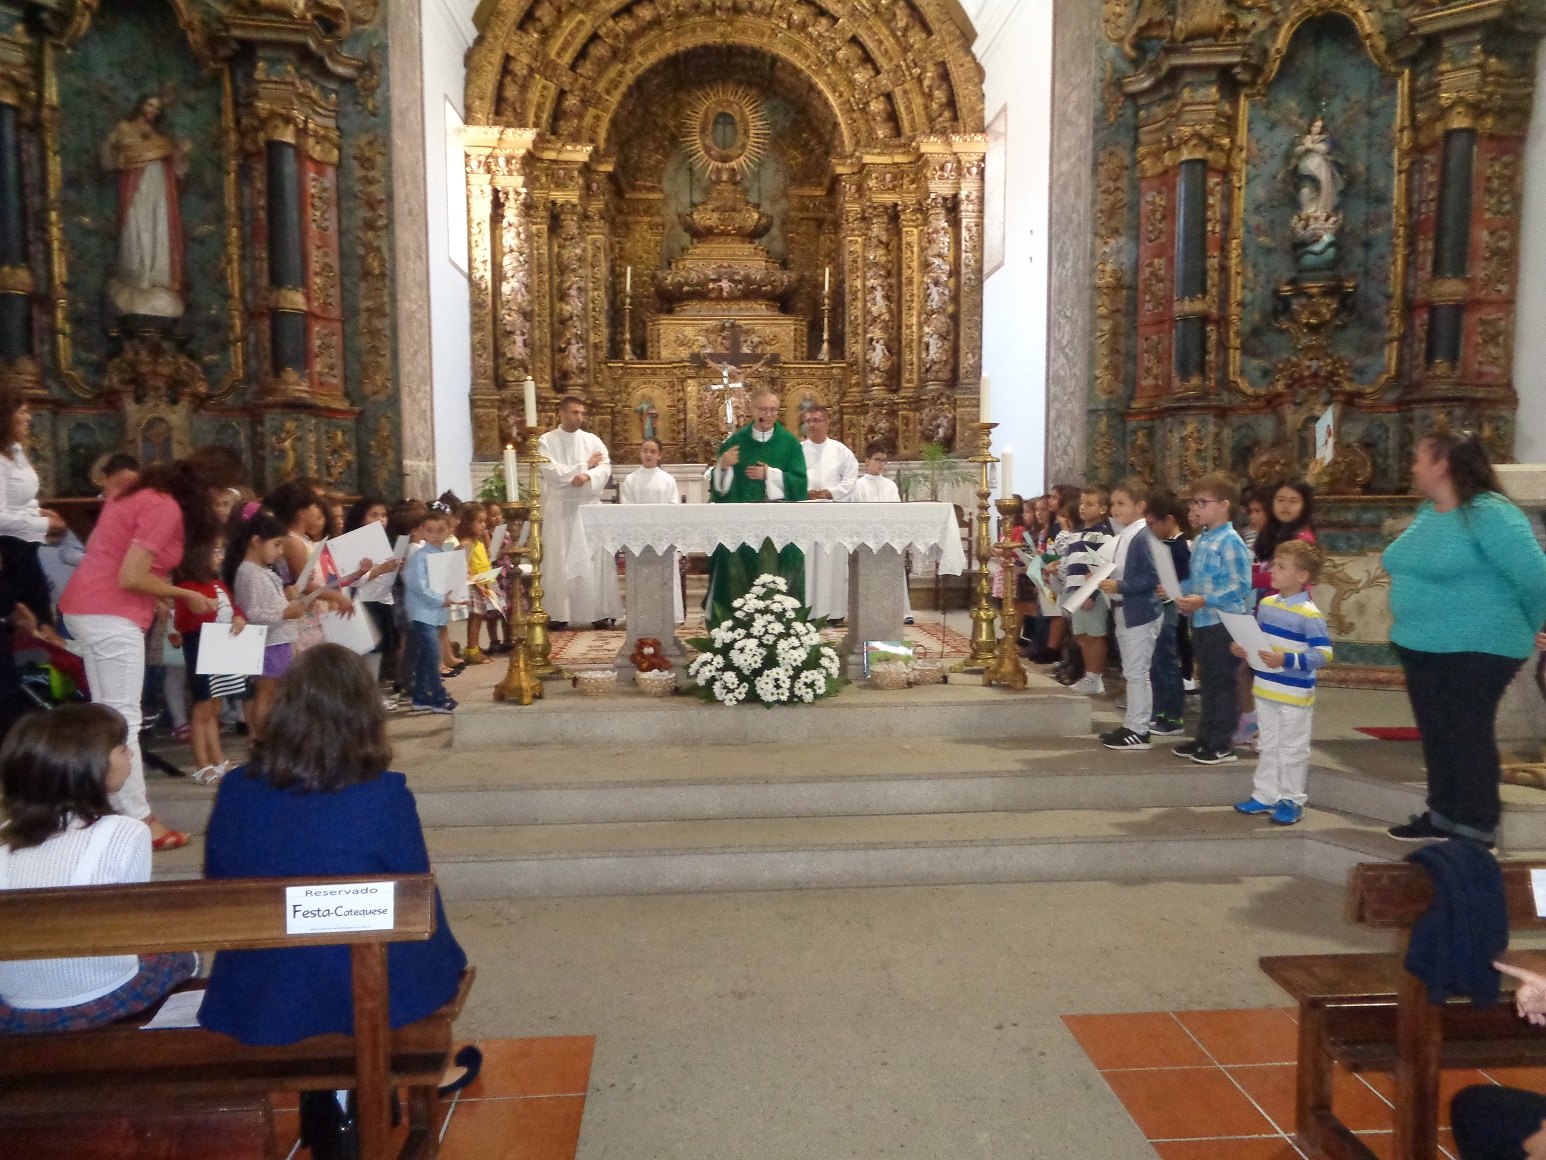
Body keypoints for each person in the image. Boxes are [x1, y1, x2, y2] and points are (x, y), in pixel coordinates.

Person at [198, 644, 467, 1046]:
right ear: (365, 716)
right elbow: (417, 898)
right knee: (421, 906)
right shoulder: (384, 795)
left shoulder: (236, 789)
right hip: (365, 983)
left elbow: (218, 877)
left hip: (263, 989)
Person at [1381, 430, 1546, 844]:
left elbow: (1535, 578)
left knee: (1467, 733)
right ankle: (1443, 814)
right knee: (1438, 732)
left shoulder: (1491, 513)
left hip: (1479, 645)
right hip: (1421, 644)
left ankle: (1476, 826)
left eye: (1419, 458)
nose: (1413, 467)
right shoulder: (1429, 510)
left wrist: (1534, 626)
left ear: (1442, 464)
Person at [0, 704, 198, 1033]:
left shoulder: (4, 837)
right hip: (99, 1001)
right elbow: (132, 932)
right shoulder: (126, 832)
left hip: (15, 1011)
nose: (130, 756)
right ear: (91, 764)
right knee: (184, 954)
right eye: (122, 748)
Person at [58, 461, 220, 851]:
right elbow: (130, 576)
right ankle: (138, 817)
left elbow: (112, 558)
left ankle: (101, 806)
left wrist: (158, 598)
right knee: (123, 718)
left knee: (106, 715)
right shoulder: (164, 506)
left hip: (87, 606)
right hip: (111, 613)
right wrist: (185, 594)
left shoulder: (134, 495)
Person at [1231, 540, 1332, 825]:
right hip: (1266, 689)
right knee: (1268, 744)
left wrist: (1286, 659)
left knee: (1293, 749)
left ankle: (1292, 799)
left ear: (1302, 576)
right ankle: (1265, 795)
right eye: (1274, 564)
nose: (1272, 570)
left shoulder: (1310, 615)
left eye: (1281, 566)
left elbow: (1323, 654)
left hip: (1294, 694)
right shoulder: (1266, 605)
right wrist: (1244, 648)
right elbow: (1259, 640)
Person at [226, 510, 350, 738]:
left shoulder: (259, 571)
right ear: (256, 541)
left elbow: (265, 603)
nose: (281, 552)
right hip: (270, 641)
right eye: (277, 545)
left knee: (273, 692)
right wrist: (285, 612)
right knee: (267, 693)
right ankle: (262, 738)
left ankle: (269, 736)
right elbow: (254, 613)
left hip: (278, 639)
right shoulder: (249, 573)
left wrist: (286, 596)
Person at [705, 388, 809, 624]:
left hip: (779, 525)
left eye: (773, 410)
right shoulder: (735, 442)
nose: (768, 415)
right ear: (752, 410)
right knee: (735, 566)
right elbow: (718, 491)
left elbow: (800, 483)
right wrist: (723, 466)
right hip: (742, 526)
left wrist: (770, 475)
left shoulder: (790, 443)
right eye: (763, 409)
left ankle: (783, 626)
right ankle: (737, 626)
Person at [1173, 473, 1253, 766]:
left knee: (1223, 683)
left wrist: (1205, 600)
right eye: (1194, 502)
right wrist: (1179, 593)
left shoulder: (1230, 541)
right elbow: (1197, 580)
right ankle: (1205, 738)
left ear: (1224, 505)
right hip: (1203, 620)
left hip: (1224, 622)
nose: (1196, 508)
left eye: (1202, 502)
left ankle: (1222, 744)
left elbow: (1240, 585)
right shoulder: (1203, 540)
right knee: (1207, 681)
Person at [538, 396, 621, 630]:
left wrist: (588, 475)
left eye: (582, 413)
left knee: (593, 558)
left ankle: (598, 612)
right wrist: (584, 466)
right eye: (575, 412)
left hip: (587, 507)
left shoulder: (592, 440)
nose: (580, 417)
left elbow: (605, 467)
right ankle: (558, 613)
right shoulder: (546, 441)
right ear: (561, 413)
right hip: (560, 508)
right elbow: (549, 470)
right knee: (559, 558)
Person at [172, 536, 248, 786]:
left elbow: (233, 607)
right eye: (215, 550)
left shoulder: (218, 583)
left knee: (214, 706)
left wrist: (238, 617)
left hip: (221, 648)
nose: (220, 556)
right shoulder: (187, 587)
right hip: (200, 647)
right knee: (202, 707)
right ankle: (201, 764)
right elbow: (184, 621)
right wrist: (203, 610)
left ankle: (218, 759)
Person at [1098, 479, 1163, 749]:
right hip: (1125, 610)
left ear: (1140, 506)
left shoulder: (1142, 536)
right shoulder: (1127, 534)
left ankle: (1139, 730)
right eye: (1113, 503)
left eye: (1122, 503)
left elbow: (1151, 577)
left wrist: (1119, 586)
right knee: (1132, 671)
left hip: (1139, 612)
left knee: (1137, 673)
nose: (1115, 509)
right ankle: (1132, 725)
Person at [0, 387, 68, 627]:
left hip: (25, 549)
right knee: (18, 626)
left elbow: (20, 499)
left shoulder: (16, 452)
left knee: (41, 623)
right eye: (23, 412)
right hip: (6, 553)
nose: (29, 418)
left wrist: (38, 511)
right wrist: (44, 525)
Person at [800, 407, 859, 624]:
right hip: (804, 514)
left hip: (832, 515)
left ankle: (833, 612)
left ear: (827, 422)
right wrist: (804, 492)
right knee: (807, 563)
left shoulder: (840, 451)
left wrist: (831, 492)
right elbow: (792, 477)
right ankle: (805, 612)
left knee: (831, 563)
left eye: (817, 420)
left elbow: (850, 479)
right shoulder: (798, 450)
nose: (812, 425)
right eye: (809, 421)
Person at [401, 506, 462, 714]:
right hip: (422, 613)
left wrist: (457, 592)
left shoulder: (442, 554)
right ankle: (438, 697)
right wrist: (440, 599)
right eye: (430, 530)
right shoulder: (419, 557)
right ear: (422, 531)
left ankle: (420, 697)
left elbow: (447, 581)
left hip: (435, 614)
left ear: (449, 531)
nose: (435, 535)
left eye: (441, 530)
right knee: (433, 656)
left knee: (426, 657)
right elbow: (418, 586)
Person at [619, 438, 686, 623]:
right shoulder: (631, 479)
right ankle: (641, 615)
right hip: (638, 537)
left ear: (659, 455)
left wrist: (658, 525)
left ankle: (669, 615)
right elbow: (626, 507)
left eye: (652, 451)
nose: (648, 454)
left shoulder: (667, 479)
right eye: (645, 450)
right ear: (640, 453)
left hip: (662, 537)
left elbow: (673, 507)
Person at [1145, 489, 1191, 737]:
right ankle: (1159, 711)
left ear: (1169, 520)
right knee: (1156, 663)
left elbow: (1187, 580)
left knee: (1167, 663)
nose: (1150, 529)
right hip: (1157, 607)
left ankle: (1173, 717)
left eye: (1153, 523)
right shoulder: (1163, 544)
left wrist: (1171, 589)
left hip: (1170, 609)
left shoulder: (1180, 546)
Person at [848, 445, 911, 619]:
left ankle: (900, 612)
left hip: (887, 536)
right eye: (877, 460)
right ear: (867, 461)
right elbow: (856, 512)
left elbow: (896, 510)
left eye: (884, 460)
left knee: (893, 570)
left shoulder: (890, 485)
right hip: (866, 538)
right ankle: (867, 611)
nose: (881, 464)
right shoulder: (858, 485)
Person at [1062, 486, 1114, 696]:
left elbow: (1102, 566)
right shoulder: (1076, 533)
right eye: (1082, 503)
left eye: (1089, 504)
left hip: (1091, 593)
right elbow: (1072, 561)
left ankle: (1095, 677)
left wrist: (1091, 594)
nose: (1083, 507)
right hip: (1074, 589)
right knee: (1081, 635)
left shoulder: (1103, 535)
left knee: (1094, 635)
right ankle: (1089, 675)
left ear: (1103, 509)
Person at [455, 503, 495, 665]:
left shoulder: (478, 542)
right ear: (468, 523)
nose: (484, 525)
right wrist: (479, 586)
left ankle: (475, 647)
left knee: (480, 617)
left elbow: (484, 563)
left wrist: (488, 585)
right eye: (480, 522)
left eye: (484, 521)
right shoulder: (467, 543)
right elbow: (466, 568)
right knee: (475, 618)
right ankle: (472, 649)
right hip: (473, 586)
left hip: (482, 584)